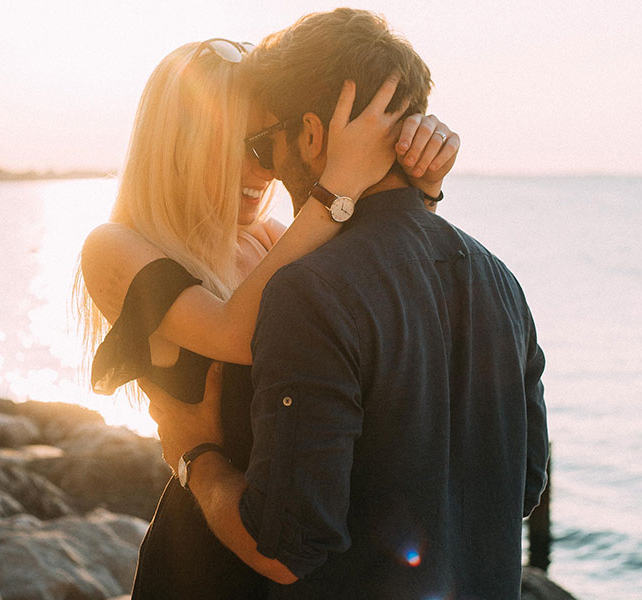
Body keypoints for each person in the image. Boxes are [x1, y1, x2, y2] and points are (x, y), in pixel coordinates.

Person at [151, 8, 549, 600]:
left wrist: (197, 457)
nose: (261, 165)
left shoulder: (309, 292)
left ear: (312, 136)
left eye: (265, 142)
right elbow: (523, 487)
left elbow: (284, 549)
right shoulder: (501, 282)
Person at [76, 34, 459, 600]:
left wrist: (416, 186)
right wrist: (339, 182)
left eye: (268, 142)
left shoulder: (273, 239)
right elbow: (239, 333)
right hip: (205, 558)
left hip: (292, 552)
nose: (266, 169)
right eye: (242, 145)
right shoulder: (116, 246)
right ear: (179, 144)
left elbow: (374, 301)